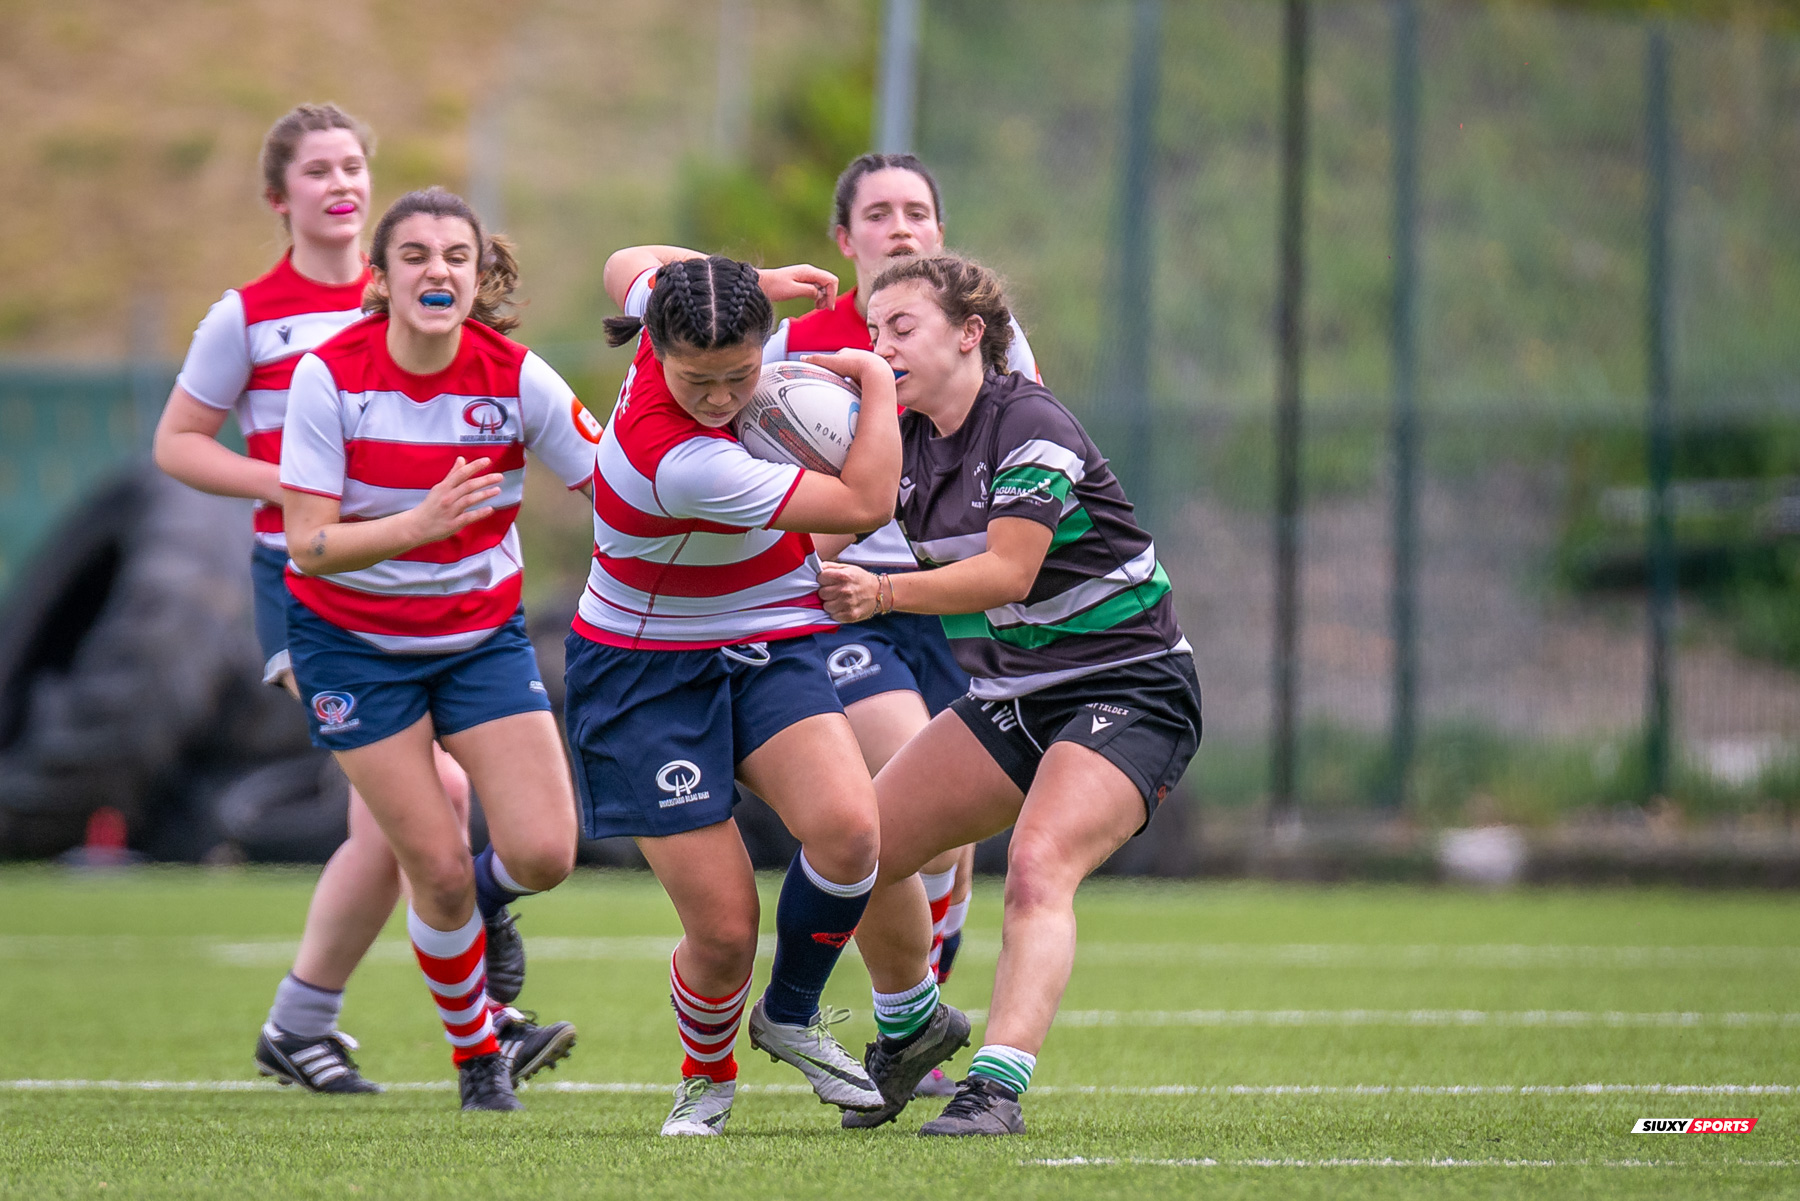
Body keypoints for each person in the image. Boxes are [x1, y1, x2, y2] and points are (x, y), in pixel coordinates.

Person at [152, 105, 534, 1095]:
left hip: (434, 590)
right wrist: (290, 484)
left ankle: (304, 1019)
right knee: (432, 805)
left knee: (413, 827)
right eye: (317, 169)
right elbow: (178, 444)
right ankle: (477, 1017)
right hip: (311, 583)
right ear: (281, 200)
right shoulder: (251, 314)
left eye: (354, 163)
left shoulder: (419, 292)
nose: (341, 180)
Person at [821, 255, 1202, 1135]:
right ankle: (911, 1028)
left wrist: (880, 594)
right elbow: (813, 530)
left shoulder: (1029, 419)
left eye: (902, 327)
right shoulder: (900, 442)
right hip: (1015, 695)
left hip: (1130, 687)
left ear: (970, 334)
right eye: (872, 332)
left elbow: (1009, 571)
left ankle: (995, 1086)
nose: (881, 348)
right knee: (858, 849)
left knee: (1036, 866)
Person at [566, 247, 900, 1136]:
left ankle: (789, 1012)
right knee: (723, 931)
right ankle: (705, 1077)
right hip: (645, 671)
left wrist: (750, 277)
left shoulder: (682, 308)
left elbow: (627, 259)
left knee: (851, 826)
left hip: (764, 640)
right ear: (655, 349)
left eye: (740, 376)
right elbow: (865, 500)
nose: (719, 399)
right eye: (697, 380)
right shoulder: (679, 460)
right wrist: (872, 379)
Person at [279, 186, 598, 1111]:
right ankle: (477, 1054)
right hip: (351, 647)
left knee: (544, 852)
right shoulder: (328, 375)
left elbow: (615, 484)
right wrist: (416, 523)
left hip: (477, 641)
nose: (437, 272)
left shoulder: (517, 376)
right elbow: (309, 541)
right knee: (439, 867)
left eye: (456, 257)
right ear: (380, 278)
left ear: (479, 273)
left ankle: (490, 909)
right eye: (414, 256)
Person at [765, 156, 1043, 1033]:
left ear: (940, 233)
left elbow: (1027, 438)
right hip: (849, 600)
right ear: (846, 240)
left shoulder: (984, 335)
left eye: (917, 211)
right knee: (906, 769)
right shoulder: (793, 348)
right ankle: (909, 1012)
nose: (900, 227)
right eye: (878, 213)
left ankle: (925, 983)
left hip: (956, 593)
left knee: (954, 831)